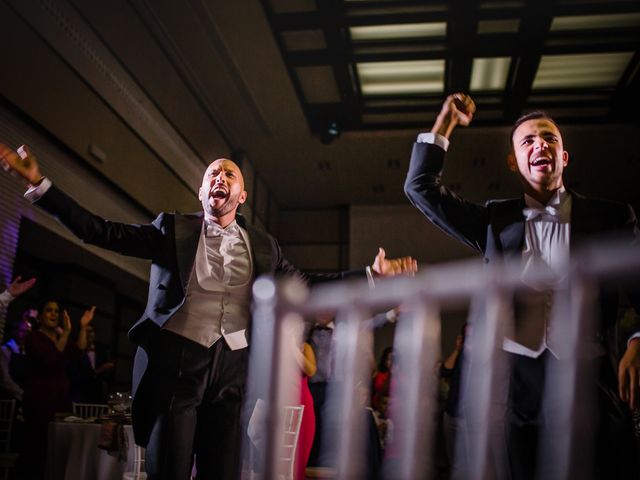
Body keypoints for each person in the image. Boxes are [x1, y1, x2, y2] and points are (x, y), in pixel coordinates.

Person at [0, 142, 417, 480]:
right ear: (202, 193)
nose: (220, 177)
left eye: (229, 173)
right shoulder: (171, 230)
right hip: (178, 363)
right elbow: (100, 231)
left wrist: (370, 276)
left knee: (223, 469)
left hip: (234, 366)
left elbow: (308, 285)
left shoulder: (263, 246)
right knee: (172, 468)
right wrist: (39, 184)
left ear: (242, 195)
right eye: (212, 174)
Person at [404, 93, 640, 479]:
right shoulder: (495, 220)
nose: (539, 145)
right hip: (515, 388)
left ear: (563, 157)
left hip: (590, 375)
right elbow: (419, 188)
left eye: (549, 138)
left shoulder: (611, 216)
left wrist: (637, 340)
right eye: (527, 141)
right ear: (514, 162)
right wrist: (445, 123)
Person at [20, 300, 95, 479]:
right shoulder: (34, 338)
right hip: (39, 400)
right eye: (49, 310)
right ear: (40, 316)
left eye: (56, 311)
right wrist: (67, 332)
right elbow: (51, 360)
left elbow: (79, 349)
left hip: (60, 401)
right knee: (38, 448)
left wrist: (83, 327)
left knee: (58, 448)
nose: (54, 314)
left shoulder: (60, 338)